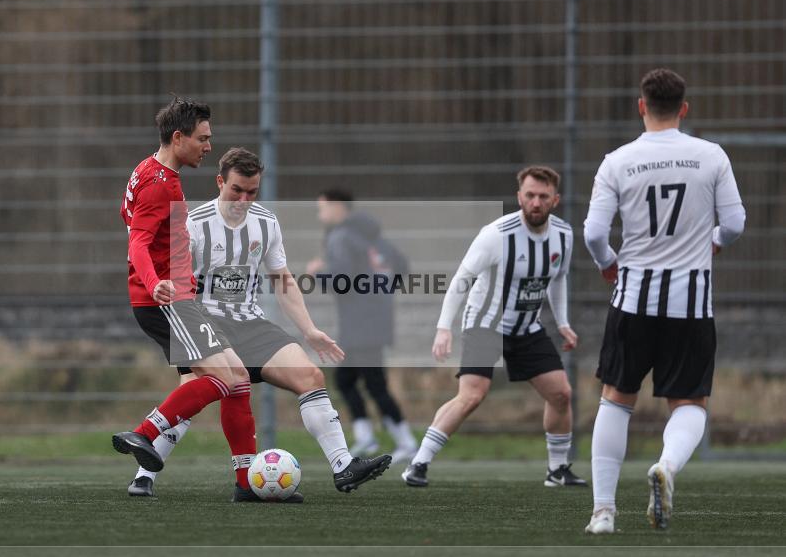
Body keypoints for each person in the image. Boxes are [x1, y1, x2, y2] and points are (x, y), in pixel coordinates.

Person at [126, 148, 392, 498]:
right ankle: (144, 475)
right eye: (237, 189)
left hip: (251, 323)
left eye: (252, 191)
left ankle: (343, 466)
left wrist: (310, 330)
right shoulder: (194, 224)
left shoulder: (266, 223)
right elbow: (172, 276)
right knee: (192, 394)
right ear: (220, 181)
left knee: (310, 376)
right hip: (204, 321)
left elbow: (282, 279)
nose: (244, 199)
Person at [583, 68, 745, 534]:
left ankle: (604, 513)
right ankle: (667, 467)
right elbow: (734, 224)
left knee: (616, 401)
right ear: (684, 109)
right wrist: (711, 240)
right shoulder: (711, 156)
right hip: (690, 305)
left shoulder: (618, 161)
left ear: (641, 106)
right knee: (689, 403)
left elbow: (594, 233)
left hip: (633, 300)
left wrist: (608, 263)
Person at [112, 97, 263, 502]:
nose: (209, 147)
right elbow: (138, 243)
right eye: (203, 138)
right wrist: (156, 281)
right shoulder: (162, 185)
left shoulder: (148, 169)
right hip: (165, 300)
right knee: (224, 378)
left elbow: (135, 226)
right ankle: (145, 431)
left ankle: (247, 484)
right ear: (178, 138)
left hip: (175, 297)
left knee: (239, 379)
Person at [402, 166, 587, 489]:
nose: (535, 202)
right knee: (472, 395)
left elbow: (557, 280)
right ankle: (418, 463)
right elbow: (462, 280)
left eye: (543, 196)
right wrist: (444, 327)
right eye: (529, 195)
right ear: (519, 197)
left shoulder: (564, 235)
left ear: (555, 200)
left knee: (561, 394)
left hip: (527, 328)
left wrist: (563, 324)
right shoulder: (497, 234)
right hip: (485, 324)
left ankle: (557, 471)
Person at [308, 189, 418, 462]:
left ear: (337, 207)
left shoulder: (341, 237)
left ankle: (406, 442)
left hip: (359, 325)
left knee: (373, 383)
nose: (320, 214)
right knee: (346, 380)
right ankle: (366, 439)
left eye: (322, 208)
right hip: (375, 320)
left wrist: (318, 273)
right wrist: (379, 294)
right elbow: (402, 267)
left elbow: (341, 280)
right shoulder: (375, 238)